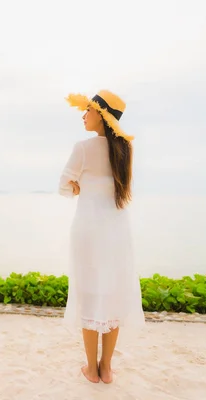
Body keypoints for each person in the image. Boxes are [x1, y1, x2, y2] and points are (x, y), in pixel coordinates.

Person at [58, 90, 145, 384]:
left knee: (89, 294)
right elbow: (122, 191)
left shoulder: (82, 148)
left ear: (102, 116)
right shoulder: (125, 151)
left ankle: (91, 369)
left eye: (89, 110)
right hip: (117, 231)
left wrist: (78, 188)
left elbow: (64, 187)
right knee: (112, 294)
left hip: (88, 231)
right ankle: (107, 368)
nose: (84, 115)